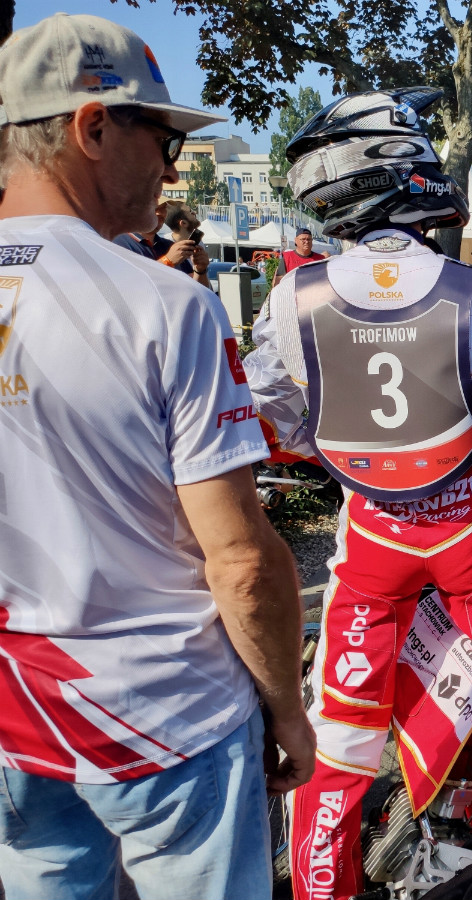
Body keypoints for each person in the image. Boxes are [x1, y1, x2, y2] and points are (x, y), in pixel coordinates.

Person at [0, 13, 315, 899]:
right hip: (161, 718)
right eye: (163, 136)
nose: (173, 169)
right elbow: (242, 561)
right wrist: (288, 709)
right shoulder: (163, 305)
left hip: (16, 716)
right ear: (91, 126)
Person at [240, 87, 472, 900]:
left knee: (337, 737)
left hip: (370, 538)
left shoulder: (290, 296)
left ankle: (322, 885)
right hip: (471, 537)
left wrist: (344, 460)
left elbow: (272, 418)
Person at [161, 202, 213, 290]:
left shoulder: (198, 243)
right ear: (183, 223)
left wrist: (201, 269)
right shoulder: (164, 246)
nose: (194, 214)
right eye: (191, 212)